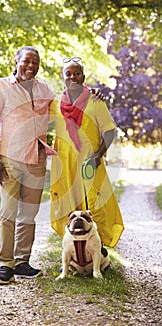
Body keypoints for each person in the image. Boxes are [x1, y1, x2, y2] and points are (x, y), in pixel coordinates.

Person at [0, 47, 103, 285]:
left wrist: (90, 93)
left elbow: (68, 104)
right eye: (26, 61)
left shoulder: (43, 89)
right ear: (16, 62)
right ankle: (5, 265)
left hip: (37, 159)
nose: (31, 65)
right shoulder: (0, 86)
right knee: (8, 213)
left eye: (35, 62)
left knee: (28, 214)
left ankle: (22, 262)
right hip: (9, 157)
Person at [50, 57, 124, 249]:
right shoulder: (55, 103)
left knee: (95, 202)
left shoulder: (94, 100)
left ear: (83, 77)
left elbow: (110, 131)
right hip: (65, 162)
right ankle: (74, 251)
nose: (72, 77)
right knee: (68, 204)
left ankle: (98, 249)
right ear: (63, 77)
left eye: (77, 73)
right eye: (68, 74)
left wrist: (98, 155)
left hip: (90, 161)